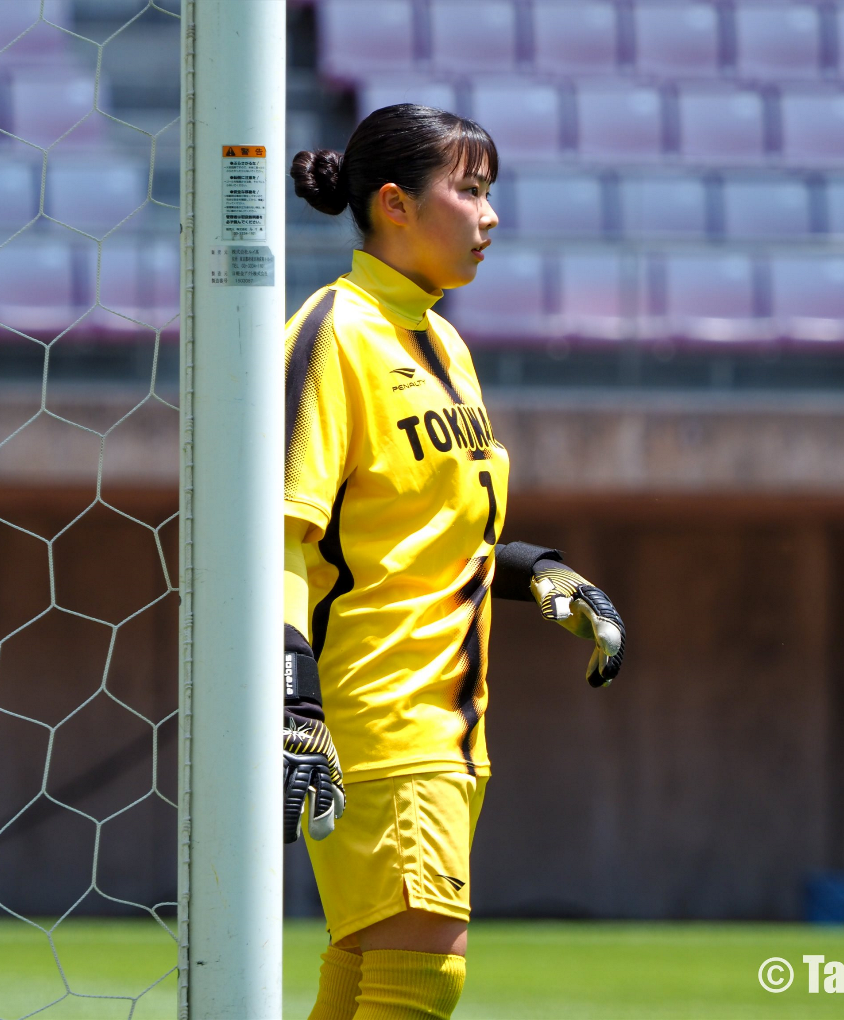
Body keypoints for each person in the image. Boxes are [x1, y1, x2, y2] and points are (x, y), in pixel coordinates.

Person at [282, 104, 626, 1020]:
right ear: (394, 203)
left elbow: (436, 534)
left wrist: (544, 575)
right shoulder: (335, 332)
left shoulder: (445, 344)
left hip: (451, 727)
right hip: (376, 718)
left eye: (491, 192)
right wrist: (293, 701)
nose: (491, 215)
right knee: (420, 981)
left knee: (366, 975)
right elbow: (279, 538)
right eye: (469, 191)